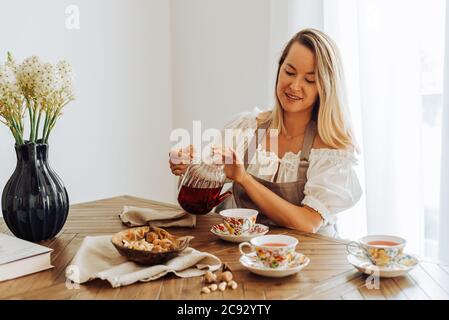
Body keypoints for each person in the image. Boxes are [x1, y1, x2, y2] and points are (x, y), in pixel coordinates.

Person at [169, 28, 362, 237]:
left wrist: (243, 178)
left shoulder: (331, 147)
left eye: (309, 80)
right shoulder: (248, 128)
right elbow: (200, 203)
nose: (295, 86)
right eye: (289, 72)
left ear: (325, 87)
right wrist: (190, 169)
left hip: (312, 259)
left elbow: (308, 223)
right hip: (247, 254)